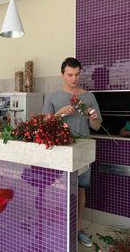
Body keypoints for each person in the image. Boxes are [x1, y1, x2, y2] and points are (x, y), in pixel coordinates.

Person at [42, 57, 102, 247]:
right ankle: (60, 228)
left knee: (81, 191)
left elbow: (98, 126)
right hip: (59, 150)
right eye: (70, 75)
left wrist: (92, 117)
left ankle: (78, 229)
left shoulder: (89, 97)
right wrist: (59, 113)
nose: (73, 79)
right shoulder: (53, 97)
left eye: (77, 74)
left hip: (82, 149)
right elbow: (44, 124)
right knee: (59, 191)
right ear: (63, 74)